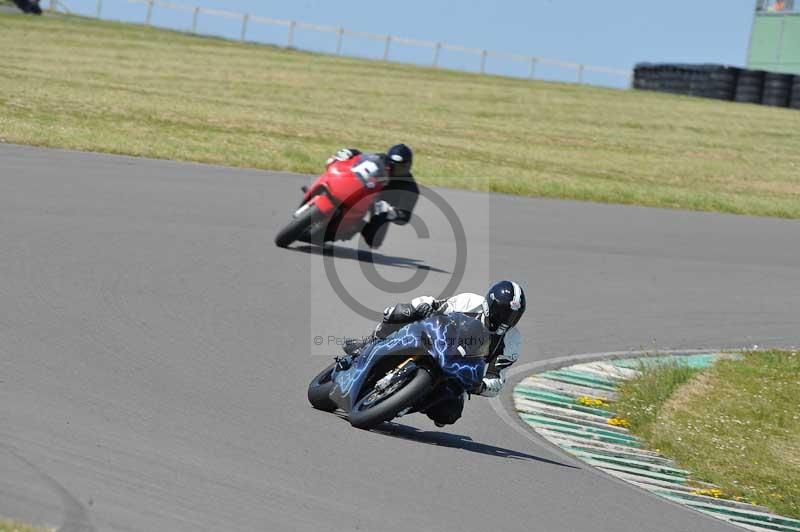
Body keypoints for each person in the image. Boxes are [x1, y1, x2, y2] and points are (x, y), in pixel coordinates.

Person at [339, 280, 526, 427]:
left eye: (512, 316)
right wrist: (425, 307)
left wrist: (480, 386)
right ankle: (370, 341)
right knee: (401, 312)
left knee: (449, 414)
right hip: (438, 341)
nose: (506, 319)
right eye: (502, 312)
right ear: (490, 304)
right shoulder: (469, 301)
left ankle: (403, 403)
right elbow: (438, 306)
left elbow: (497, 379)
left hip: (459, 370)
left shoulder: (512, 341)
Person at [324, 144, 418, 249]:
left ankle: (355, 226)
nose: (397, 170)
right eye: (394, 166)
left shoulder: (411, 188)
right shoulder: (380, 159)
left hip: (381, 206)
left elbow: (405, 216)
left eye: (401, 167)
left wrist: (392, 212)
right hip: (365, 190)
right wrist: (349, 152)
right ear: (388, 160)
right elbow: (360, 157)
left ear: (409, 165)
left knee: (374, 241)